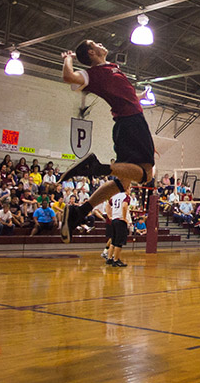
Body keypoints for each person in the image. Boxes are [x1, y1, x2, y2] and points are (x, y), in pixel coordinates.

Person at [58, 41, 156, 244]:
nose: (102, 43)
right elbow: (68, 77)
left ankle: (79, 212)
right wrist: (68, 57)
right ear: (91, 52)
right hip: (131, 123)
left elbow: (125, 95)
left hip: (126, 123)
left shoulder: (111, 68)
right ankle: (97, 167)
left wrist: (141, 96)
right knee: (146, 174)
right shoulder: (91, 74)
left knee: (122, 182)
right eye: (95, 43)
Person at [104, 187, 130, 267]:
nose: (130, 191)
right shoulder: (126, 197)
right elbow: (124, 206)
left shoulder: (114, 196)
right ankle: (116, 260)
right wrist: (125, 218)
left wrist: (109, 216)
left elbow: (108, 205)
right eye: (129, 189)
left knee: (113, 241)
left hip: (114, 220)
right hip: (120, 220)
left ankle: (109, 258)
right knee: (119, 242)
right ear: (126, 190)